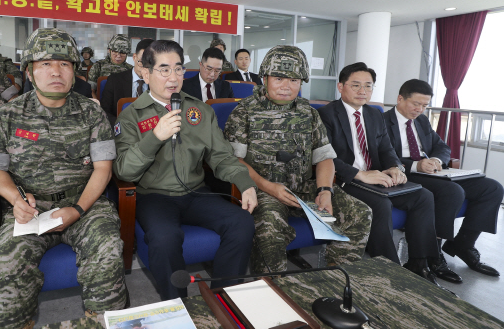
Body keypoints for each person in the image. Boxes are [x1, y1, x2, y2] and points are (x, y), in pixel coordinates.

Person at [0, 28, 128, 329]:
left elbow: (103, 169)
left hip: (85, 202)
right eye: (45, 63)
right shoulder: (8, 114)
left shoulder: (92, 112)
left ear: (75, 72)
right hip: (30, 208)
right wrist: (15, 198)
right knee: (7, 262)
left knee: (108, 251)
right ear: (30, 72)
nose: (56, 71)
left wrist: (77, 209)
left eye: (64, 64)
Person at [113, 40, 257, 301]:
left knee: (241, 222)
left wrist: (244, 182)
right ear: (146, 74)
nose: (174, 78)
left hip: (196, 192)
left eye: (179, 69)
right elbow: (124, 171)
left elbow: (221, 156)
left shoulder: (199, 110)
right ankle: (176, 303)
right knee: (165, 237)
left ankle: (224, 298)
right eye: (164, 70)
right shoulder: (130, 116)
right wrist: (155, 137)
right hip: (154, 196)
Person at [224, 46, 371, 272]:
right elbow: (235, 162)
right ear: (265, 78)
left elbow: (324, 157)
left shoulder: (309, 113)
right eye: (279, 78)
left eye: (294, 80)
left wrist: (324, 190)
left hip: (304, 188)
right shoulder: (244, 111)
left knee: (361, 213)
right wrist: (269, 187)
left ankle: (337, 280)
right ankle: (275, 291)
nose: (286, 86)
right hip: (263, 190)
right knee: (269, 229)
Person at [318, 63, 441, 285]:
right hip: (345, 179)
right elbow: (324, 156)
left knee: (424, 196)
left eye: (368, 86)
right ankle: (389, 271)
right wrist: (360, 174)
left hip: (375, 176)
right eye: (355, 85)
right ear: (340, 86)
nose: (362, 91)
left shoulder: (374, 115)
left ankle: (419, 264)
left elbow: (386, 149)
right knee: (380, 204)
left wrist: (395, 166)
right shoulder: (324, 114)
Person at [384, 79, 502, 281]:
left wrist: (436, 160)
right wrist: (416, 165)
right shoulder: (382, 122)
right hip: (405, 173)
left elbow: (443, 147)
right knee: (452, 192)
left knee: (492, 188)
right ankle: (434, 255)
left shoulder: (421, 120)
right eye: (416, 104)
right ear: (400, 99)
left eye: (425, 105)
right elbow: (383, 155)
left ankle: (463, 245)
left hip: (432, 171)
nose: (420, 109)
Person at [100, 38, 153, 125]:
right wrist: (121, 127)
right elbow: (104, 112)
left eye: (150, 63)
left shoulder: (158, 83)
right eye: (141, 61)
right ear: (134, 57)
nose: (145, 67)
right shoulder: (114, 81)